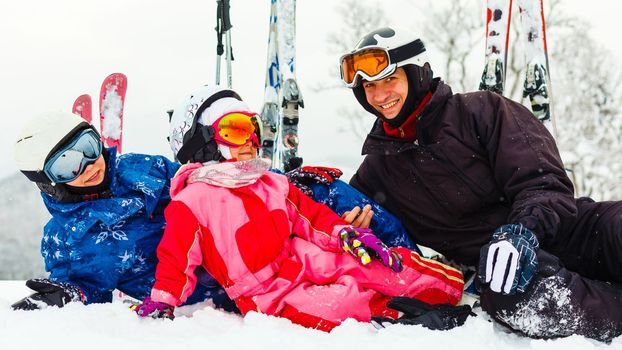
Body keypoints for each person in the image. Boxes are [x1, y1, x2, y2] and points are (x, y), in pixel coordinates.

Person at [339, 27, 622, 341]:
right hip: (504, 274)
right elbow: (341, 223)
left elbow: (543, 182)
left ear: (416, 74)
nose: (379, 96)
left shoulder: (481, 111)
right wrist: (348, 223)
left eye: (390, 79)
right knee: (517, 298)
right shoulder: (377, 172)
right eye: (369, 86)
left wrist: (520, 233)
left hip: (576, 231)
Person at [132, 85, 469, 331]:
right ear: (203, 142)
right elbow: (177, 257)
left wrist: (346, 235)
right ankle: (406, 316)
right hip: (266, 292)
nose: (251, 138)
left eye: (254, 128)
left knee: (370, 262)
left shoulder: (271, 183)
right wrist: (163, 300)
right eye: (236, 129)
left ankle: (453, 288)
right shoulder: (192, 201)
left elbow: (312, 216)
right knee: (341, 305)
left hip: (301, 253)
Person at [11, 111, 218, 309]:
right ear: (49, 183)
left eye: (87, 147)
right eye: (68, 166)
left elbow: (196, 187)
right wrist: (70, 294)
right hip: (196, 303)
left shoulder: (141, 168)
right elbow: (88, 288)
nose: (88, 165)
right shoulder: (66, 238)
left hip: (231, 255)